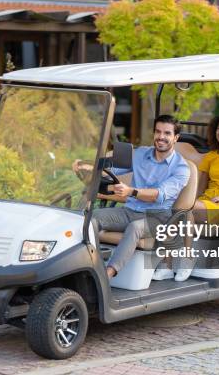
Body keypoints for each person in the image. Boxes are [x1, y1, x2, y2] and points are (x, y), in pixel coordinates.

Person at [75, 115, 190, 280]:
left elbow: (159, 195)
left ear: (176, 137)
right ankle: (83, 266)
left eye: (167, 133)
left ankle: (107, 276)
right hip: (129, 211)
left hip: (158, 218)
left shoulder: (181, 168)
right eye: (158, 132)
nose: (161, 137)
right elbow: (113, 169)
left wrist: (131, 191)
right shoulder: (141, 153)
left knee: (135, 228)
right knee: (89, 218)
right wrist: (86, 166)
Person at [152, 113, 219, 280]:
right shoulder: (211, 156)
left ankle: (184, 260)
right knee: (178, 211)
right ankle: (168, 265)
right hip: (205, 203)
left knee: (184, 209)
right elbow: (199, 188)